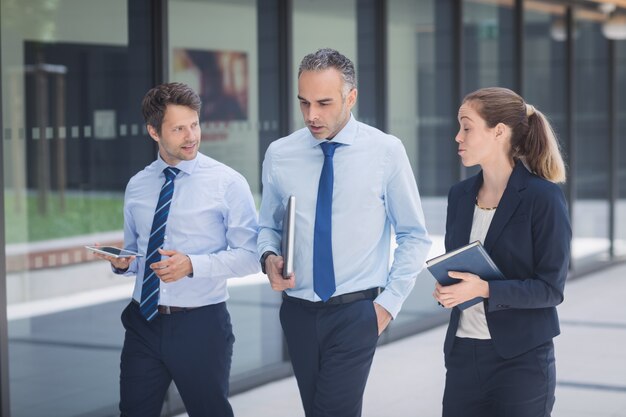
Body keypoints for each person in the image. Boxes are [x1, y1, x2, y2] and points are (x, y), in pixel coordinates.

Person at [257, 48, 432, 417]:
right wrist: (268, 258)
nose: (311, 115)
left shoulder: (386, 151)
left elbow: (414, 236)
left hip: (356, 312)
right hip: (298, 313)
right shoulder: (280, 154)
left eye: (323, 102)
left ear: (351, 97)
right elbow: (268, 226)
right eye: (303, 103)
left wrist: (387, 305)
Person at [94, 82, 259, 417]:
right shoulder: (138, 185)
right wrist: (123, 264)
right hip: (143, 321)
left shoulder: (227, 183)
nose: (191, 136)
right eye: (178, 128)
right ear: (154, 132)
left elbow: (252, 256)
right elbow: (136, 253)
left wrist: (193, 265)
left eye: (195, 125)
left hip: (200, 325)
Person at [433, 87, 571, 417]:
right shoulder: (460, 195)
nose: (458, 136)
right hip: (463, 355)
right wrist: (449, 291)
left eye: (467, 127)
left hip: (521, 361)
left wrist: (484, 289)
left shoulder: (543, 198)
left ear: (499, 132)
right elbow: (459, 266)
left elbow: (551, 289)